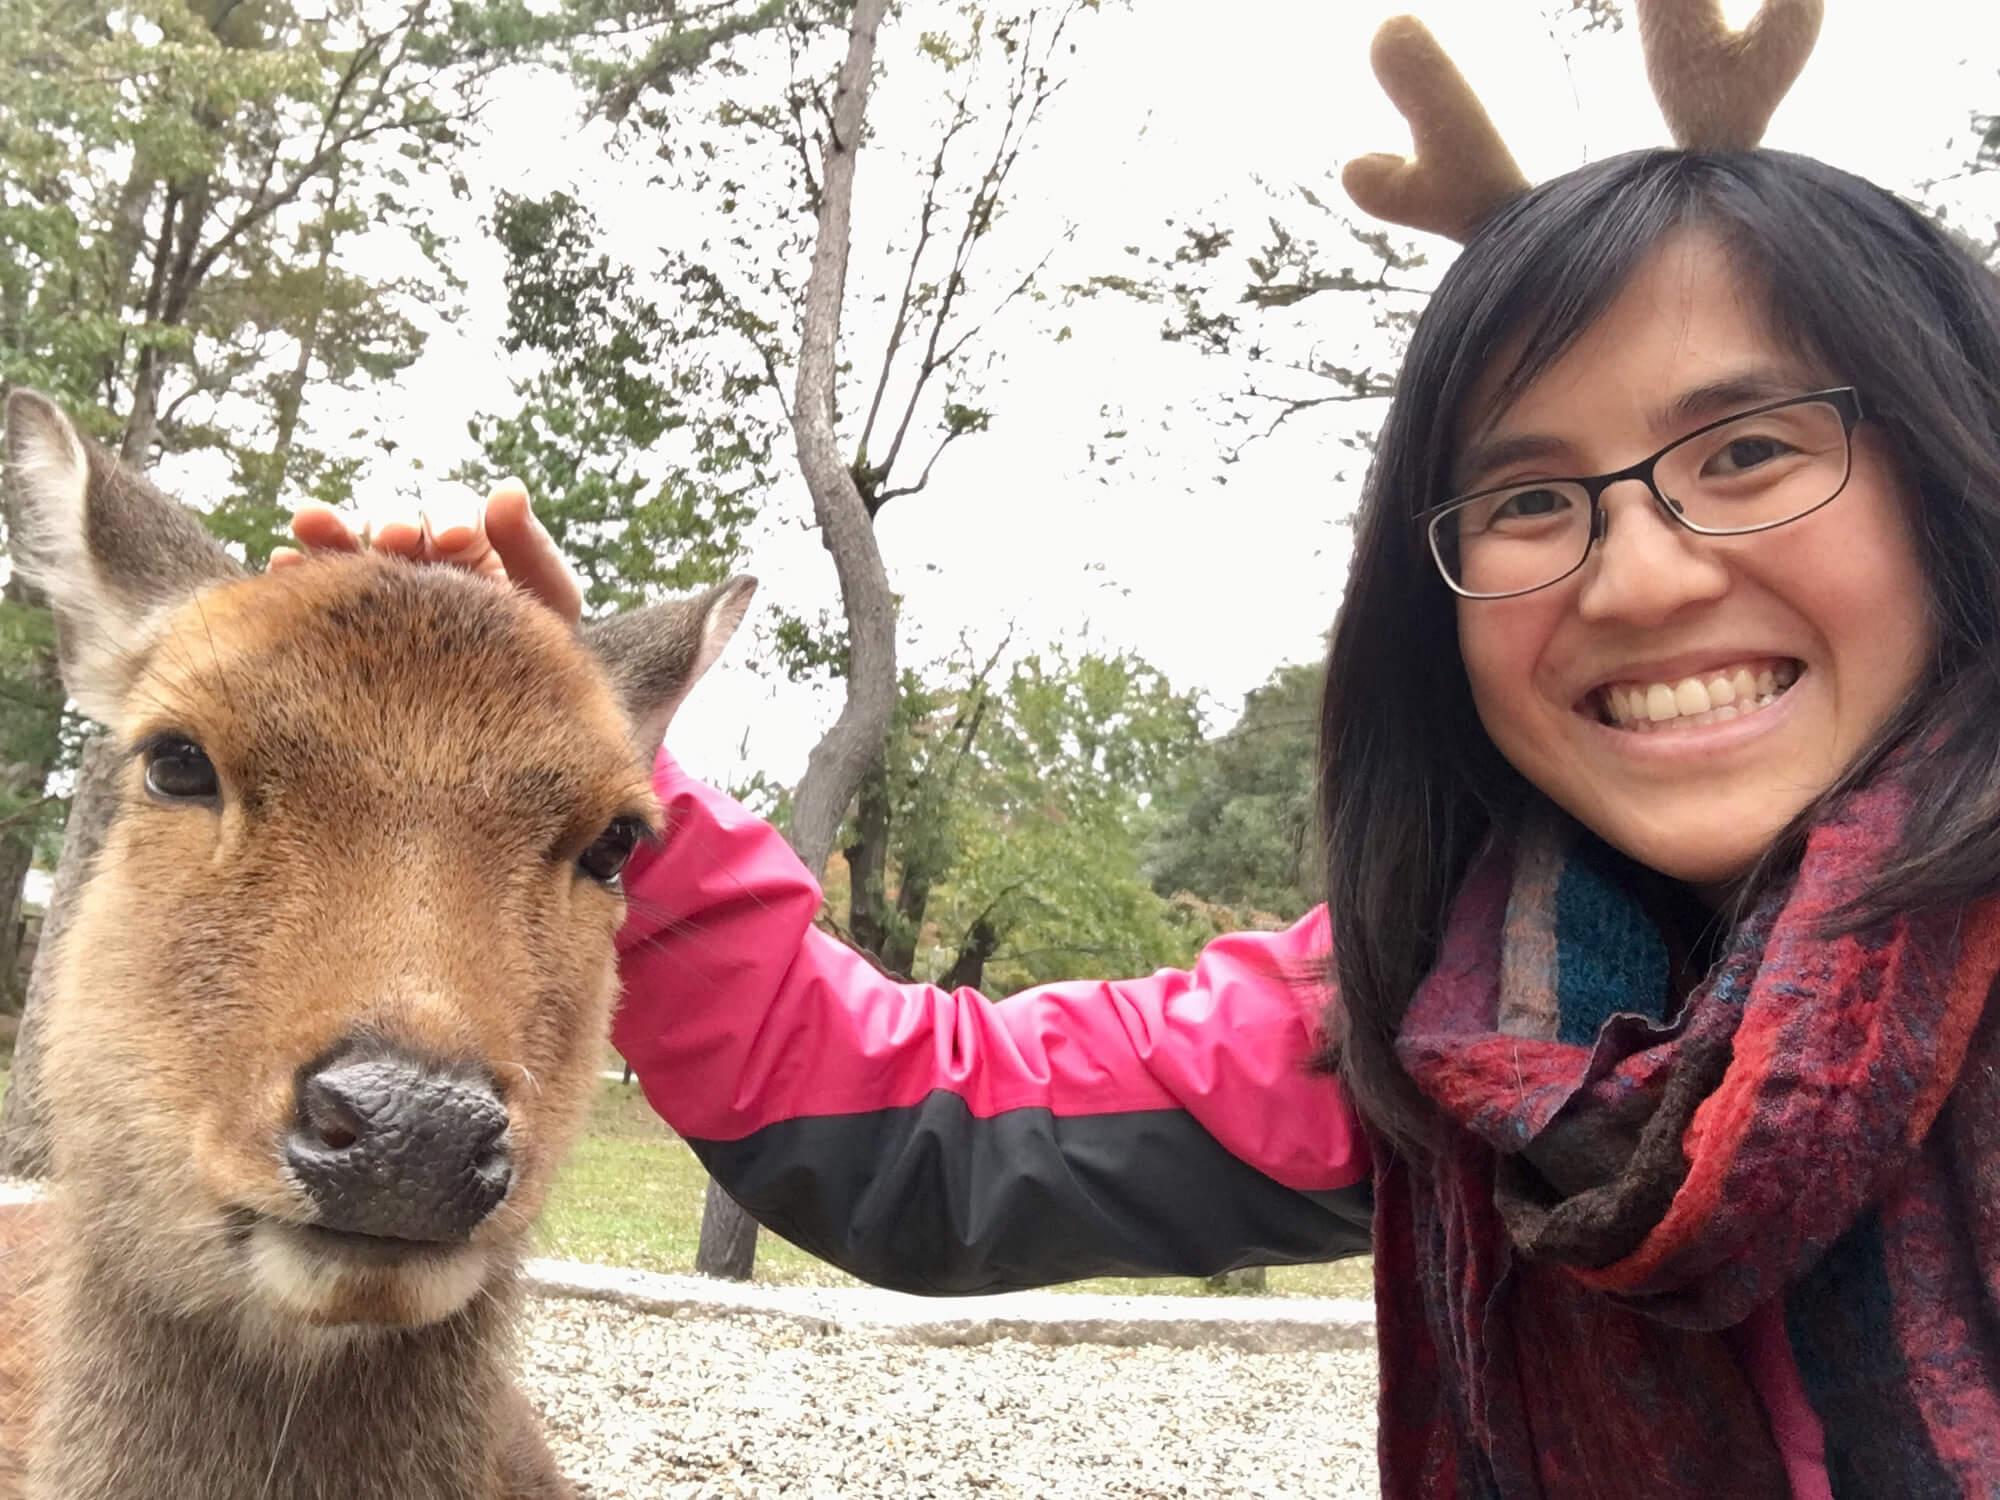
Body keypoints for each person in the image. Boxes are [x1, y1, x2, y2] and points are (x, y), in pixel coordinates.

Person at [282, 141, 2000, 1498]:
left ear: (1952, 467)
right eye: (1534, 499)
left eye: (1754, 452)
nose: (1638, 574)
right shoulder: (1441, 1024)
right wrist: (595, 783)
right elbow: (910, 1117)